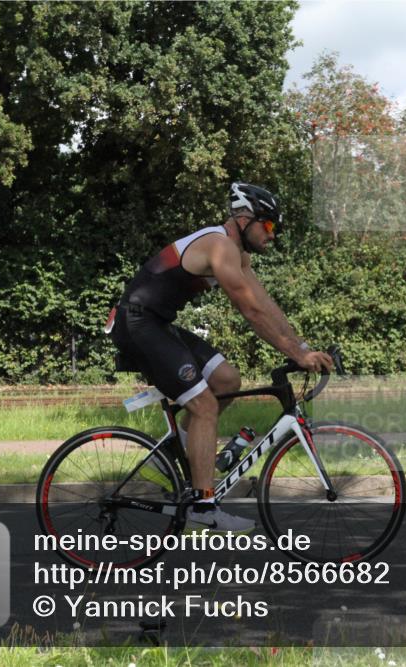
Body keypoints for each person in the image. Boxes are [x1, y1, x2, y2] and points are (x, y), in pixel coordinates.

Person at [107, 182, 333, 533]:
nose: (272, 235)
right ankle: (204, 505)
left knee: (227, 380)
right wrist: (293, 353)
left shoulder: (237, 255)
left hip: (156, 322)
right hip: (136, 323)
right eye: (269, 225)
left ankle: (173, 460)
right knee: (205, 406)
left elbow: (266, 305)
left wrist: (302, 348)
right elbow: (250, 313)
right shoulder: (219, 246)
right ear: (245, 218)